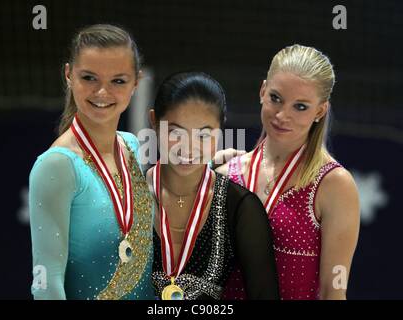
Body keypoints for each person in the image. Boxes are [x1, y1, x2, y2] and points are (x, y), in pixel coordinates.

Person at [216, 44, 360, 300]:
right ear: (262, 91)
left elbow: (333, 291)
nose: (283, 115)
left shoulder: (334, 185)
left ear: (320, 110)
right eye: (276, 98)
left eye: (300, 106)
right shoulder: (227, 174)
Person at [29, 24, 154, 300]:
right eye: (89, 78)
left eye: (118, 81)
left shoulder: (131, 146)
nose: (101, 92)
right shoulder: (57, 166)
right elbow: (45, 284)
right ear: (68, 75)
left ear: (136, 83)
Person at [146, 71, 279, 300]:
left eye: (203, 135)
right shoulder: (129, 194)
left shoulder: (240, 207)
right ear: (154, 122)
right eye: (176, 132)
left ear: (221, 130)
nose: (188, 148)